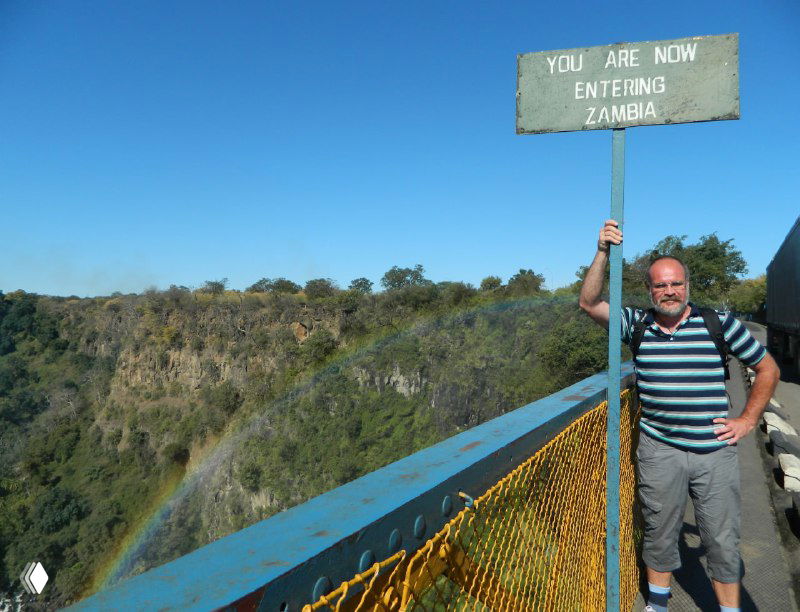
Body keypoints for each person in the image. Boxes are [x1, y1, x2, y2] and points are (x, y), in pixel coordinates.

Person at [579, 220, 780, 612]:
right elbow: (588, 303)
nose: (668, 291)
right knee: (659, 530)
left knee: (722, 537)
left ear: (687, 285)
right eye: (660, 285)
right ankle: (657, 603)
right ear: (650, 290)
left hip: (713, 452)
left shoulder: (717, 324)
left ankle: (728, 608)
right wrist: (602, 251)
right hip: (660, 449)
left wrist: (746, 419)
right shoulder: (637, 325)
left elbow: (768, 368)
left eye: (675, 284)